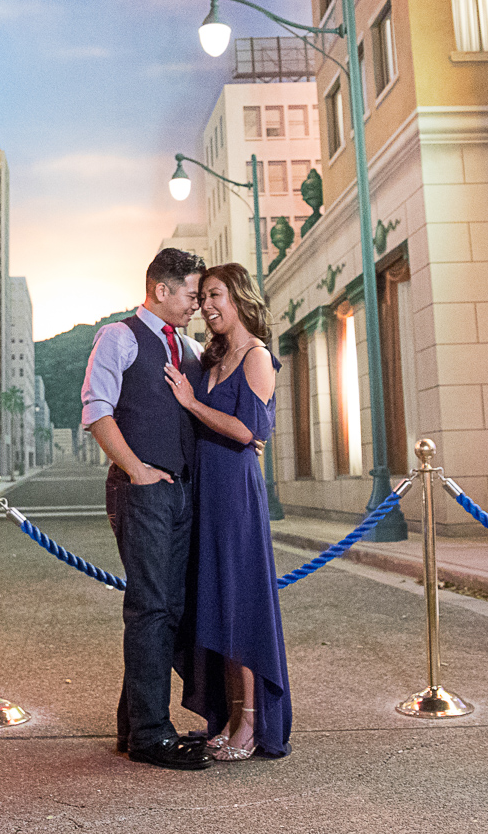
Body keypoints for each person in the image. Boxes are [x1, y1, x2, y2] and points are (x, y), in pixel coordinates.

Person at [79, 247, 211, 771]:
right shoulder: (119, 336)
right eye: (192, 295)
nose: (196, 305)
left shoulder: (191, 349)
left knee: (167, 609)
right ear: (163, 289)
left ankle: (134, 725)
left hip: (181, 490)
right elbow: (96, 410)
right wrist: (136, 470)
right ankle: (151, 735)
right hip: (143, 491)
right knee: (152, 607)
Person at [165, 262, 292, 761]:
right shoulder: (212, 356)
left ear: (238, 297)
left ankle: (252, 726)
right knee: (215, 608)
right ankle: (225, 718)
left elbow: (249, 432)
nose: (208, 306)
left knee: (240, 608)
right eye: (203, 298)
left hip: (236, 496)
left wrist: (192, 404)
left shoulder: (257, 355)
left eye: (216, 295)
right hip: (206, 495)